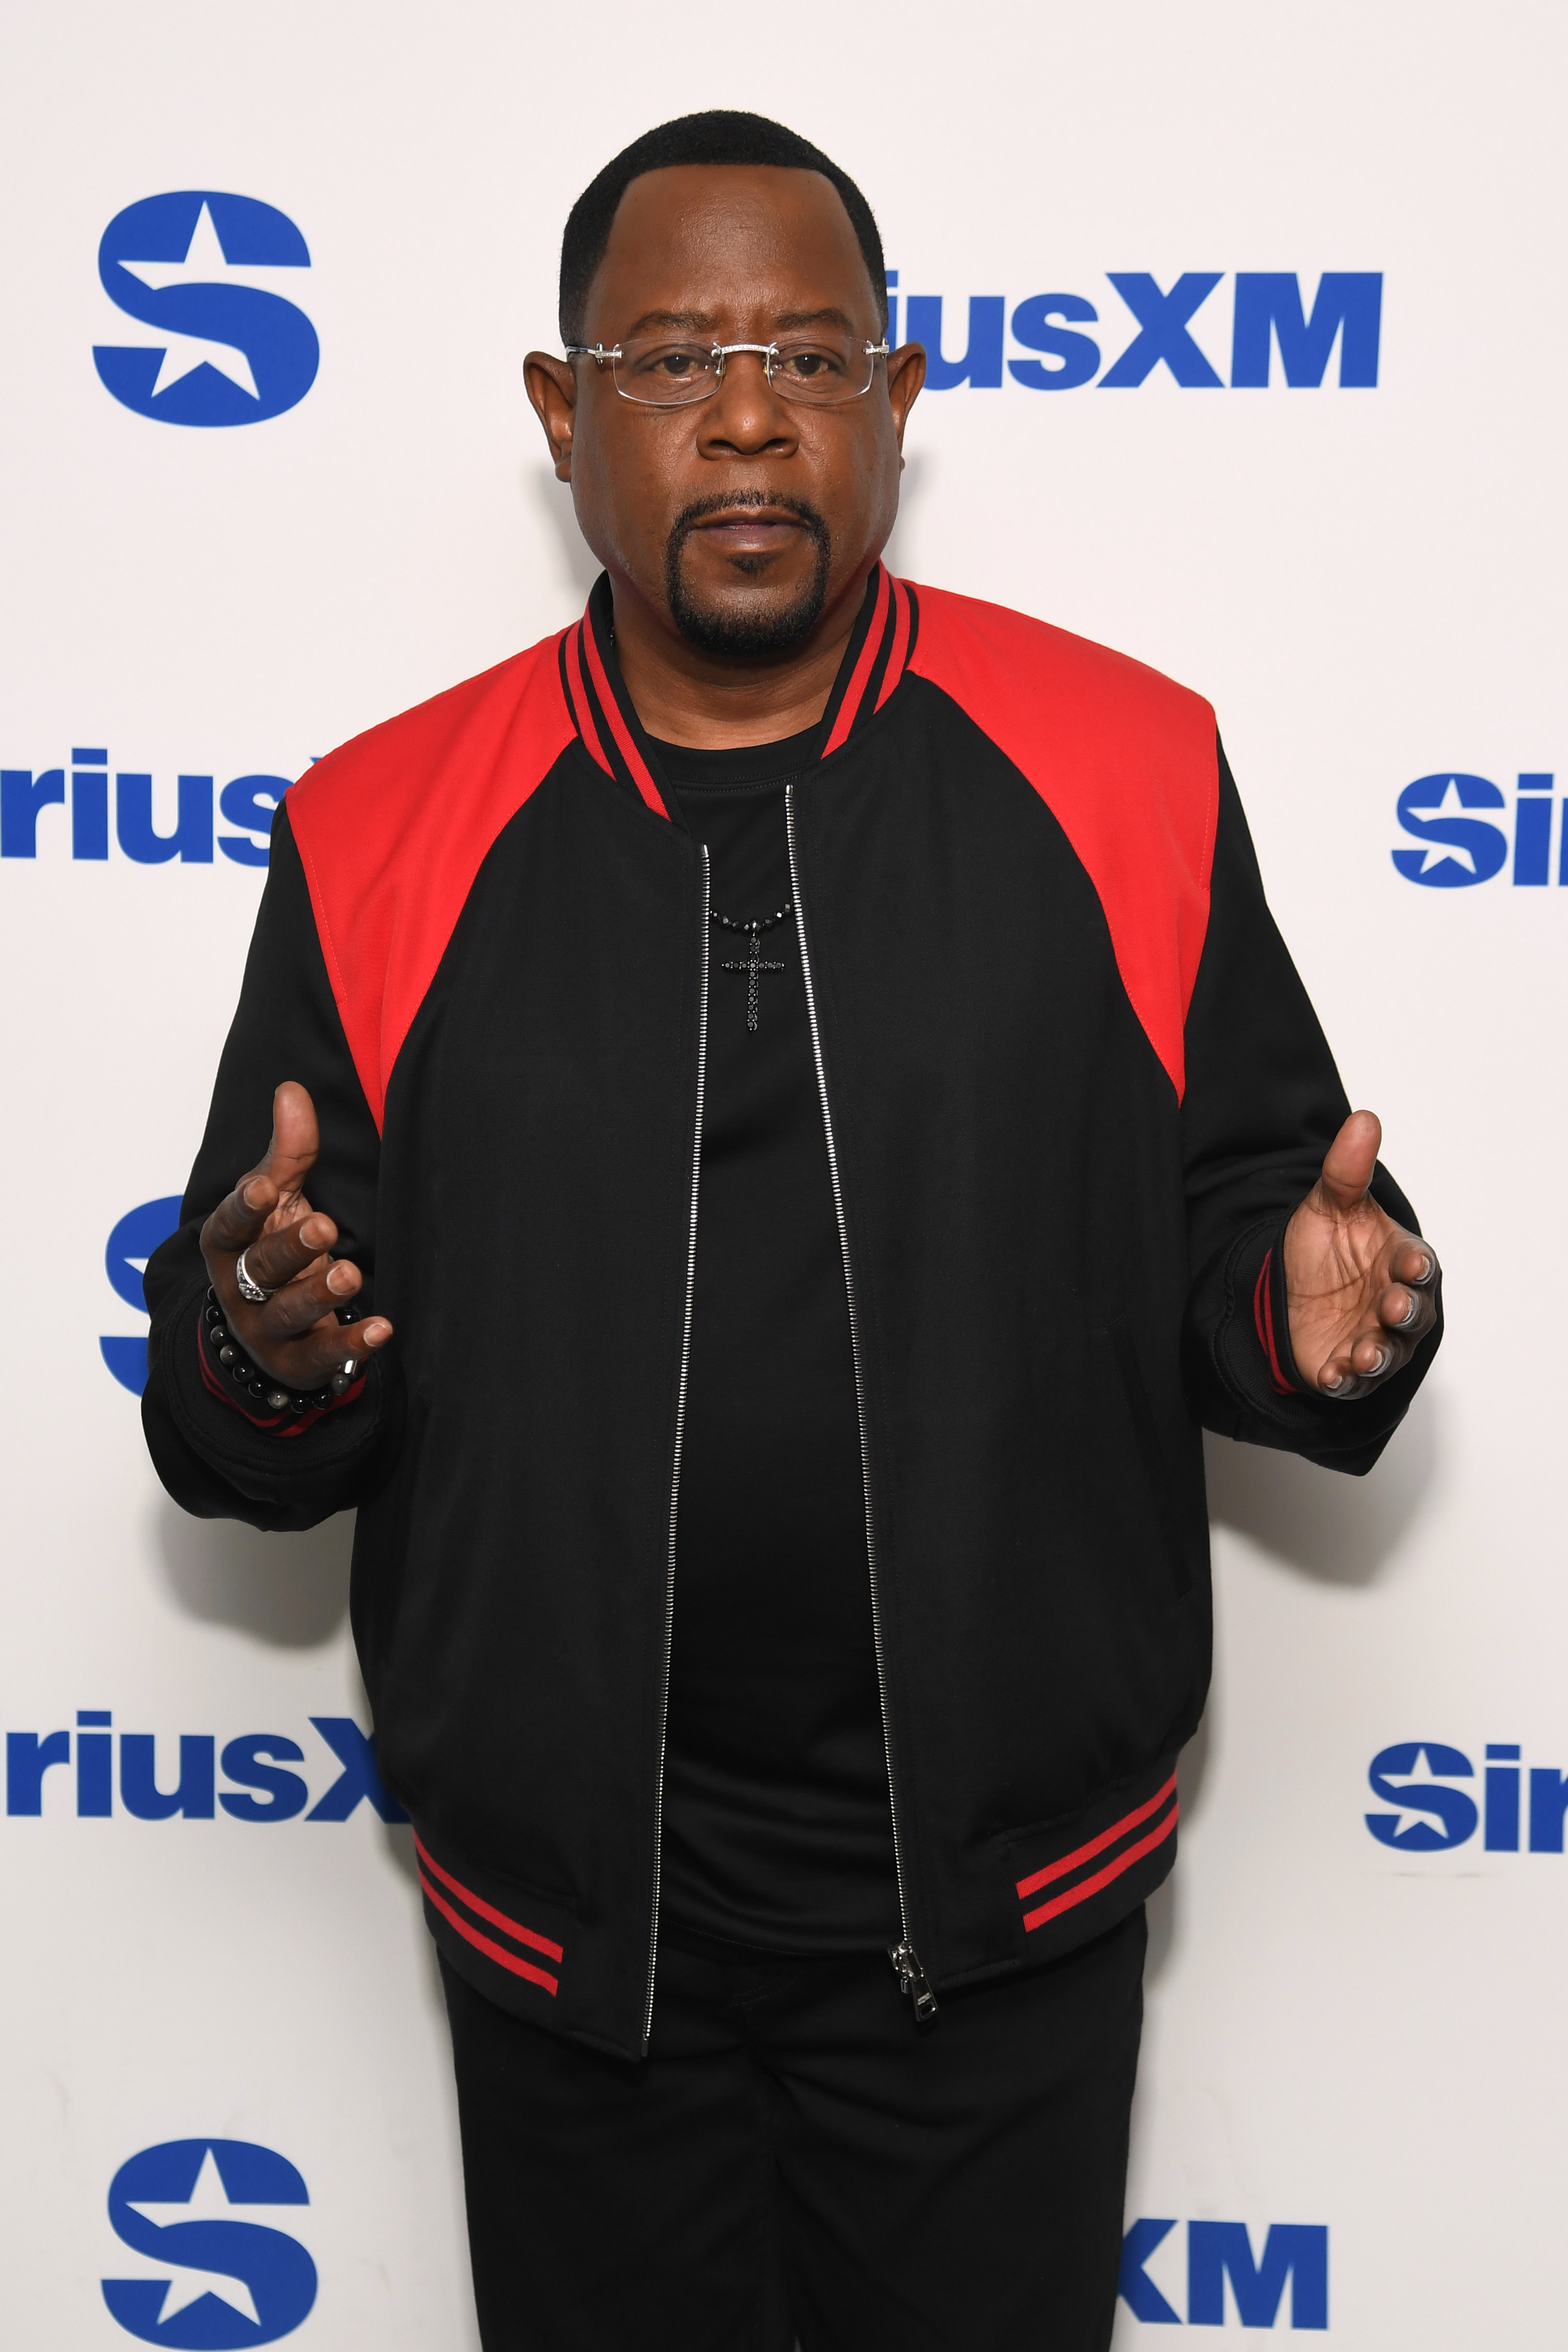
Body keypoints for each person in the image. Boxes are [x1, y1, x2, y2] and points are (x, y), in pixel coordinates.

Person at [143, 110, 1442, 2352]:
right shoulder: (378, 822)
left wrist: (1309, 1311)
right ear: (563, 417)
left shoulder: (1121, 762)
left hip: (998, 1929)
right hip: (576, 1944)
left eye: (808, 355)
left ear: (898, 402)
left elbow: (1248, 1221)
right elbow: (256, 1362)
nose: (745, 412)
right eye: (667, 360)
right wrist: (263, 1346)